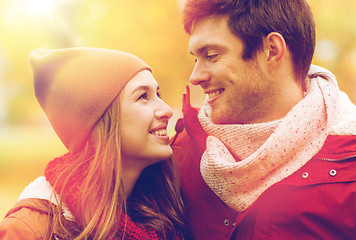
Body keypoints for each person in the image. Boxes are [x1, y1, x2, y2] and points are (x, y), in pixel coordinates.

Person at [170, 0, 356, 239]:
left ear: (272, 50)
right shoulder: (181, 152)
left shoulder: (350, 169)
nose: (195, 77)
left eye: (212, 55)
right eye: (196, 58)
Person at [0, 47, 190, 240]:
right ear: (101, 122)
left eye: (159, 94)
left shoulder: (168, 209)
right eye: (142, 96)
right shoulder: (29, 231)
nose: (166, 110)